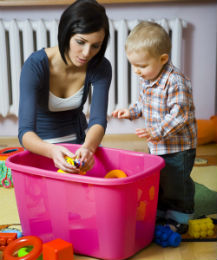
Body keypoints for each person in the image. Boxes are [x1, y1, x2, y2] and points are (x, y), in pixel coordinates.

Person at [112, 21, 197, 233]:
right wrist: (131, 112)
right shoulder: (149, 78)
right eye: (133, 65)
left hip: (178, 146)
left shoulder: (176, 82)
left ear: (163, 59)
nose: (137, 71)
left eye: (142, 66)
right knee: (159, 177)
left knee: (176, 180)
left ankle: (180, 215)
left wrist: (156, 131)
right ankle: (160, 210)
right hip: (157, 144)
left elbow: (180, 116)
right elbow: (144, 102)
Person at [18, 0, 112, 173]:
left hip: (79, 145)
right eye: (80, 42)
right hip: (42, 149)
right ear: (66, 33)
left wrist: (88, 148)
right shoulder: (35, 65)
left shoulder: (100, 66)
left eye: (95, 46)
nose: (86, 53)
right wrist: (51, 151)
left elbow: (98, 120)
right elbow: (25, 132)